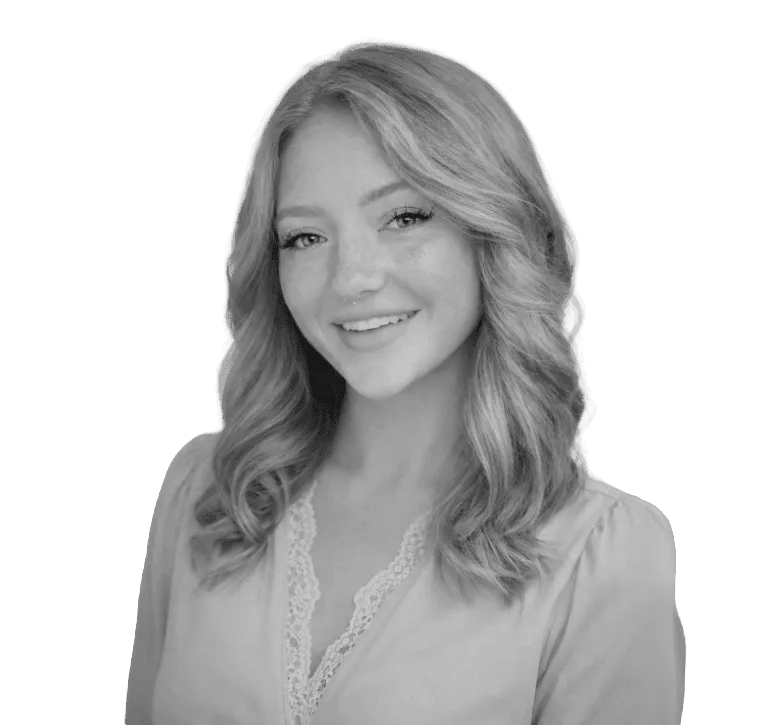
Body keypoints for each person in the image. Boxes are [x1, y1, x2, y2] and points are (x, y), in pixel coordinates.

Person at [126, 43, 685, 724]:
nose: (351, 278)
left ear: (492, 229)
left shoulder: (603, 558)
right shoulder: (207, 493)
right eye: (304, 237)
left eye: (405, 217)